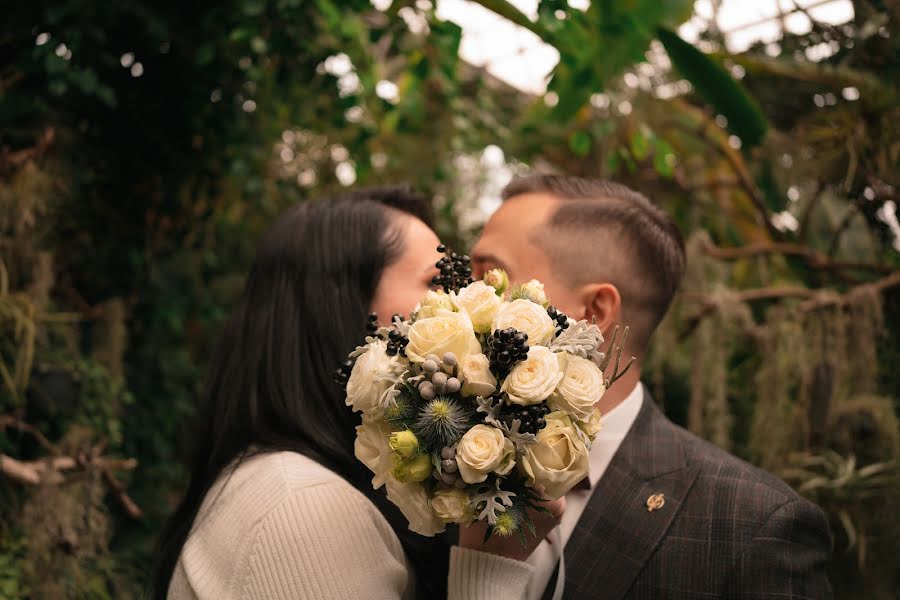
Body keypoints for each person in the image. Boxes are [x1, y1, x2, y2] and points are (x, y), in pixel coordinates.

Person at [151, 188, 562, 600]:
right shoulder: (302, 509)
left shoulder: (321, 487)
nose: (463, 305)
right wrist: (490, 570)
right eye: (437, 282)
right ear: (341, 308)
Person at [471, 175, 832, 600]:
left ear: (593, 311)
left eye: (489, 276)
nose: (461, 294)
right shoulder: (434, 470)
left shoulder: (752, 526)